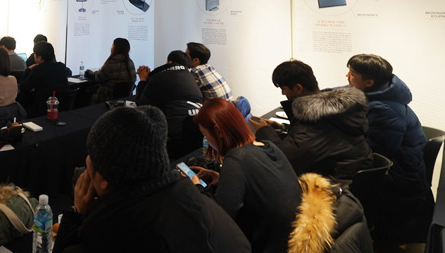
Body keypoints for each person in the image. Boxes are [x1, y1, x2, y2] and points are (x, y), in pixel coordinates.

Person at [53, 105, 251, 253]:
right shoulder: (192, 196)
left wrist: (76, 216)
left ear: (104, 181)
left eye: (92, 157)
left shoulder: (110, 233)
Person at [192, 98, 302, 253]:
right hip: (299, 240)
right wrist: (224, 179)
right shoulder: (268, 146)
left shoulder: (236, 160)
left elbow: (218, 220)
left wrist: (197, 187)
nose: (207, 141)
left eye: (205, 134)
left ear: (218, 131)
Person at [346, 53, 433, 242]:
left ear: (369, 82)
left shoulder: (383, 109)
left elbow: (375, 156)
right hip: (403, 170)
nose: (347, 76)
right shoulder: (381, 94)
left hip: (398, 178)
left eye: (352, 74)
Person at [250, 59, 372, 184]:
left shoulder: (314, 118)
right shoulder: (333, 110)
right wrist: (280, 128)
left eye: (283, 88)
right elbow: (307, 142)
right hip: (354, 176)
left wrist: (264, 131)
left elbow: (285, 159)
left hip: (336, 184)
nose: (283, 93)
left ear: (298, 88)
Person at [135, 50, 203, 158]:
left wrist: (143, 80)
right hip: (198, 131)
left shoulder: (159, 77)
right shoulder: (189, 76)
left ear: (169, 62)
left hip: (176, 138)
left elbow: (142, 105)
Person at [17, 41, 69, 117]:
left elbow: (24, 87)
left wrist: (28, 69)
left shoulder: (38, 69)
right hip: (61, 107)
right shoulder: (61, 66)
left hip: (42, 109)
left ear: (39, 58)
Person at [85, 37, 135, 103]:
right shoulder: (130, 63)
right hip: (125, 100)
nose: (111, 48)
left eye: (112, 46)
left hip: (107, 99)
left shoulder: (111, 63)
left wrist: (89, 72)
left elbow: (98, 77)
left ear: (116, 48)